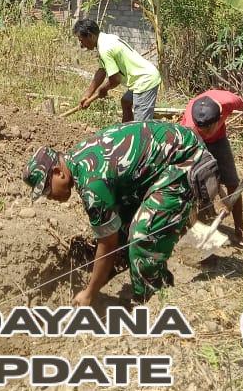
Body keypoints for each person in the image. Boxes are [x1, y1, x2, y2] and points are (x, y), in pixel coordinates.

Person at [22, 121, 218, 304]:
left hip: (185, 159)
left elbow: (107, 244)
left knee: (142, 237)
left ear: (58, 172)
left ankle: (154, 301)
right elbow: (114, 234)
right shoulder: (77, 159)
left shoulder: (92, 184)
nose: (49, 197)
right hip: (165, 160)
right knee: (124, 230)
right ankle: (147, 276)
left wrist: (90, 293)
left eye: (47, 190)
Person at [179, 89, 243, 242]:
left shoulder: (229, 101)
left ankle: (240, 230)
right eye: (202, 129)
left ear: (219, 119)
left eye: (207, 130)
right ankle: (196, 226)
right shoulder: (190, 127)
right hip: (196, 144)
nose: (205, 132)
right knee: (199, 186)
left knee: (232, 182)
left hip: (219, 140)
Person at [73, 17, 161, 122]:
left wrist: (103, 90)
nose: (82, 45)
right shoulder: (105, 39)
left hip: (145, 80)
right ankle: (126, 133)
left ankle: (140, 136)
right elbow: (102, 71)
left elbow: (115, 80)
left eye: (81, 40)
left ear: (90, 36)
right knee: (126, 101)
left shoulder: (105, 49)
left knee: (141, 127)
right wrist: (87, 95)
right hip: (139, 79)